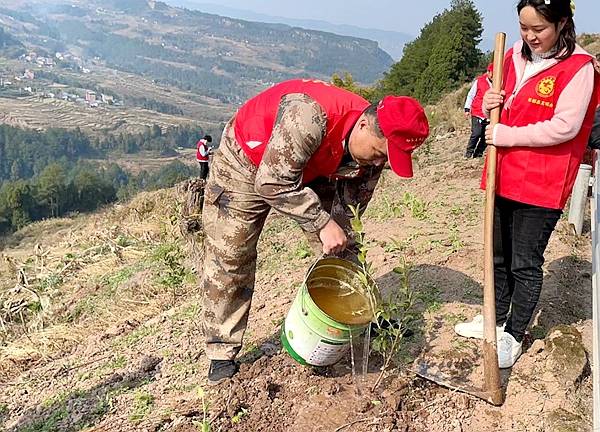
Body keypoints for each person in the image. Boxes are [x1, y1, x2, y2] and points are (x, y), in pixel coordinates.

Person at [201, 78, 429, 384]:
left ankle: (357, 318)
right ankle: (221, 351)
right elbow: (270, 184)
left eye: (387, 159)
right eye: (378, 154)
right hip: (246, 161)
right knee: (232, 254)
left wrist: (337, 234)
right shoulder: (308, 116)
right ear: (364, 125)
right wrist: (321, 223)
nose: (379, 163)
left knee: (343, 245)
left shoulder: (371, 155)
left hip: (318, 163)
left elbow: (349, 215)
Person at [455, 0, 599, 369]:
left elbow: (565, 127)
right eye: (524, 27)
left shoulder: (578, 67)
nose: (530, 36)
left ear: (563, 23)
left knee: (525, 262)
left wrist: (507, 134)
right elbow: (498, 102)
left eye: (539, 29)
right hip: (502, 172)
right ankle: (496, 317)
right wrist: (489, 102)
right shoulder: (514, 56)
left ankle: (515, 335)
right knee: (498, 255)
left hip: (542, 182)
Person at [464, 64, 493, 158]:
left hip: (490, 114)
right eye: (491, 73)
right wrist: (467, 108)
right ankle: (469, 153)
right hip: (477, 111)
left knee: (486, 136)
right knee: (476, 133)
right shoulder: (479, 81)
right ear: (488, 72)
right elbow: (471, 95)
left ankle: (478, 153)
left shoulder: (499, 83)